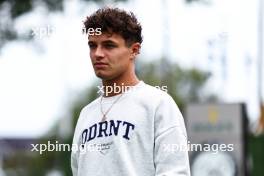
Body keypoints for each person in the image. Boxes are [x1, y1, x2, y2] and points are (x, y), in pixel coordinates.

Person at [71, 7, 191, 176]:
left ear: (134, 50)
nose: (98, 54)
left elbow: (174, 172)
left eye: (109, 45)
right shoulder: (86, 114)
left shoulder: (158, 104)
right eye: (92, 45)